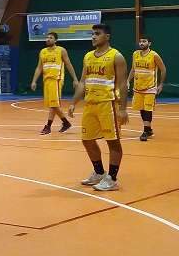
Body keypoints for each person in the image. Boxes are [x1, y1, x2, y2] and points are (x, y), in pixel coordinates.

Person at [67, 23, 128, 192]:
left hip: (108, 104)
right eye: (92, 34)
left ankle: (112, 179)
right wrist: (73, 103)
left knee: (113, 142)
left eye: (97, 33)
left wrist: (123, 109)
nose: (93, 36)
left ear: (107, 36)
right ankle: (99, 172)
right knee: (87, 140)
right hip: (90, 104)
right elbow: (83, 82)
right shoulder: (88, 56)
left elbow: (123, 84)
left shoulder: (116, 56)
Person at [31, 31, 77, 134]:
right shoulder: (43, 52)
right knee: (53, 105)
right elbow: (39, 68)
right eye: (47, 37)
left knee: (54, 104)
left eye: (51, 38)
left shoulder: (61, 50)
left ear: (55, 40)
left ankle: (48, 126)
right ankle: (66, 123)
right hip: (46, 80)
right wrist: (34, 81)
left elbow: (69, 64)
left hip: (56, 79)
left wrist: (74, 78)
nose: (48, 39)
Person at [129, 35, 166, 142]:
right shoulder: (135, 54)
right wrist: (127, 80)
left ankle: (145, 131)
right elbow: (133, 69)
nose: (141, 43)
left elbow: (163, 69)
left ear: (149, 43)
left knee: (148, 109)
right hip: (138, 87)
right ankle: (149, 129)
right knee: (141, 108)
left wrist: (161, 84)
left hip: (150, 87)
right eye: (140, 41)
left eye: (144, 41)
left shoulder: (154, 55)